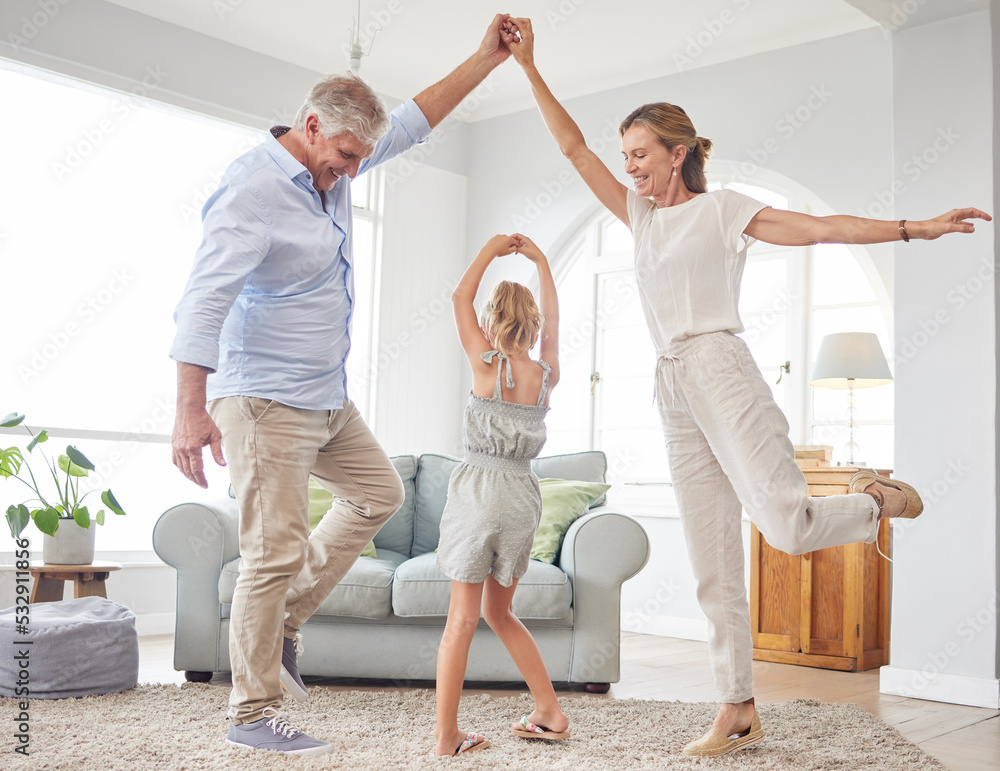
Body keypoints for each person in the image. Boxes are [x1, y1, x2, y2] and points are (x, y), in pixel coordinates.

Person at [503, 16, 992, 758]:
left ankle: (877, 501)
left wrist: (912, 228)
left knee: (786, 526)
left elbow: (821, 226)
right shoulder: (637, 216)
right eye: (625, 155)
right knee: (712, 564)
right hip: (670, 386)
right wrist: (530, 66)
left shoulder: (723, 208)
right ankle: (736, 707)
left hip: (720, 370)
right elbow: (571, 147)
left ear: (678, 155)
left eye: (641, 155)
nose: (629, 166)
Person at [169, 15, 520, 757]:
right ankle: (252, 708)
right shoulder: (252, 190)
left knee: (380, 493)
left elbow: (418, 119)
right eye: (345, 156)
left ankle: (284, 621)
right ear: (309, 126)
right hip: (263, 398)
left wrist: (485, 59)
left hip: (324, 397)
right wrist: (189, 408)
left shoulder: (340, 156)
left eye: (361, 157)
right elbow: (202, 298)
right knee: (271, 551)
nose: (353, 172)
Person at [433, 233, 568, 756]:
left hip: (479, 492)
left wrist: (491, 249)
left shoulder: (486, 362)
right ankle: (549, 711)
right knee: (500, 612)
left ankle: (447, 738)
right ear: (531, 324)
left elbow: (457, 299)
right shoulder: (545, 376)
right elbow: (555, 323)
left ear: (492, 320)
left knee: (461, 621)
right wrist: (541, 262)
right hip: (521, 495)